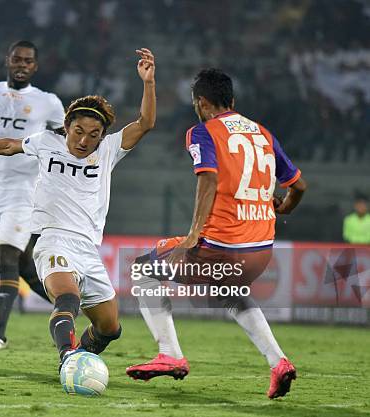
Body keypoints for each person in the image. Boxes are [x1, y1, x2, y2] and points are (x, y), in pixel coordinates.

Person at [0, 48, 156, 369]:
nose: (85, 140)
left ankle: (82, 361)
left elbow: (145, 122)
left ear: (102, 135)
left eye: (93, 134)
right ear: (67, 125)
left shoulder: (108, 150)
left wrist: (148, 82)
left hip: (89, 248)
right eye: (78, 131)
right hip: (53, 241)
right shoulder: (48, 142)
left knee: (110, 328)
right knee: (67, 300)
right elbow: (9, 145)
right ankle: (68, 359)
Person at [126, 68, 307, 399]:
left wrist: (193, 235)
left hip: (222, 246)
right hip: (261, 252)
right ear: (233, 101)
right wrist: (285, 208)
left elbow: (207, 179)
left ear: (200, 101)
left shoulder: (202, 131)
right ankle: (278, 362)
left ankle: (170, 355)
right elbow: (299, 186)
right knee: (230, 291)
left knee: (144, 270)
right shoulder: (262, 133)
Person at [0, 40, 65, 350]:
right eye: (17, 59)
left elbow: (65, 139)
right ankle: (78, 307)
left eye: (28, 61)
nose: (22, 64)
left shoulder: (48, 102)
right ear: (8, 60)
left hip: (26, 188)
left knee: (6, 255)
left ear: (35, 66)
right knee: (27, 269)